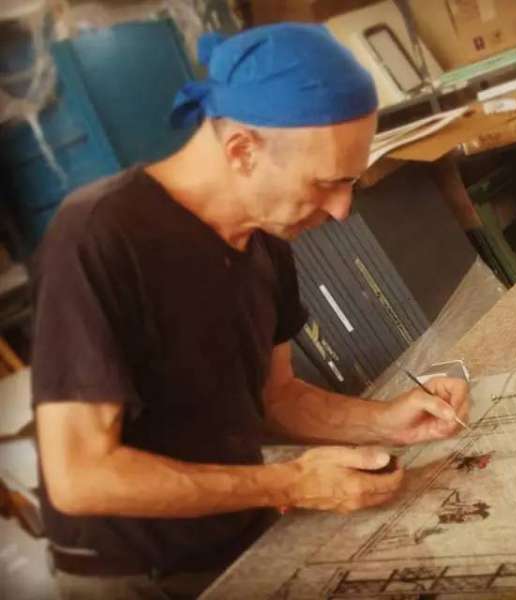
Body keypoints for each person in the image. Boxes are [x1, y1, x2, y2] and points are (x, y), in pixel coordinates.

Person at [32, 23, 469, 600]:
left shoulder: (266, 241)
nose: (342, 209)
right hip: (138, 575)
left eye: (351, 183)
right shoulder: (98, 236)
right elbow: (80, 476)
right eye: (327, 183)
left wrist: (387, 421)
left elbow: (276, 397)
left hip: (241, 535)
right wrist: (291, 483)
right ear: (241, 150)